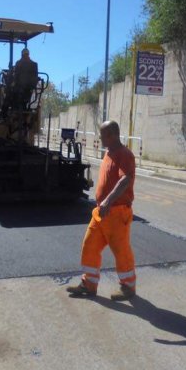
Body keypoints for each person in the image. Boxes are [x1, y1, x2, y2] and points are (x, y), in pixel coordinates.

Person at [67, 121, 137, 301]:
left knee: (121, 251)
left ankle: (128, 286)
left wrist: (107, 200)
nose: (100, 138)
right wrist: (102, 203)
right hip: (101, 212)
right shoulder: (109, 153)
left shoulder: (124, 154)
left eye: (103, 135)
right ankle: (89, 284)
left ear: (113, 135)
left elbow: (125, 179)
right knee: (89, 245)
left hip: (116, 212)